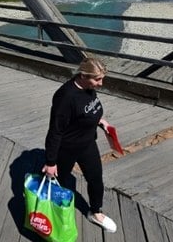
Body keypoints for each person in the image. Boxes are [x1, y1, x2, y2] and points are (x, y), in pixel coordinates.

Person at [42, 57, 118, 233]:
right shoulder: (65, 96)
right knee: (58, 182)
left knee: (96, 180)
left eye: (102, 78)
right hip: (66, 148)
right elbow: (55, 131)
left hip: (87, 144)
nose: (101, 83)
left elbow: (88, 109)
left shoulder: (89, 88)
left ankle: (95, 212)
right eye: (97, 79)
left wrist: (101, 121)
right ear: (83, 75)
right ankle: (49, 214)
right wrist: (51, 162)